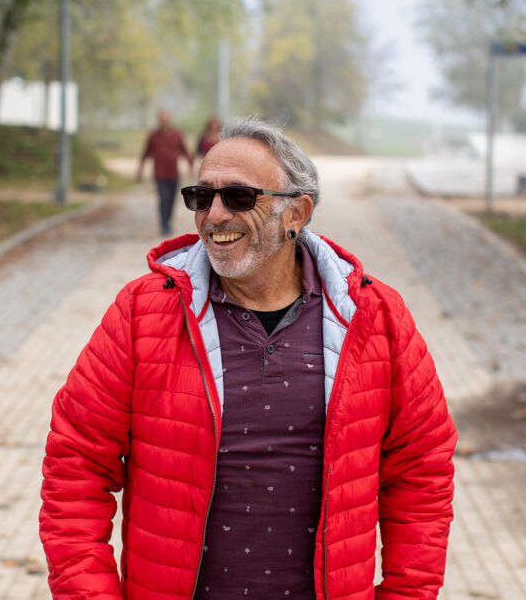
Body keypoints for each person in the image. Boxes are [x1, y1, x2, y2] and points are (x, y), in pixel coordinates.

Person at [40, 117, 457, 599]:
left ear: (296, 213)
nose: (214, 215)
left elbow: (421, 470)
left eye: (238, 197)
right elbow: (75, 466)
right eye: (201, 197)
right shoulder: (141, 314)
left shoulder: (376, 317)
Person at [137, 109, 193, 235]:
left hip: (173, 173)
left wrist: (190, 165)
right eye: (161, 119)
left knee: (172, 199)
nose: (163, 122)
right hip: (160, 174)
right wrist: (140, 170)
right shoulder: (153, 136)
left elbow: (184, 150)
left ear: (169, 120)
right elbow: (146, 153)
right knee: (163, 199)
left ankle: (168, 221)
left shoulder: (177, 134)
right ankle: (164, 225)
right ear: (158, 121)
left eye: (165, 119)